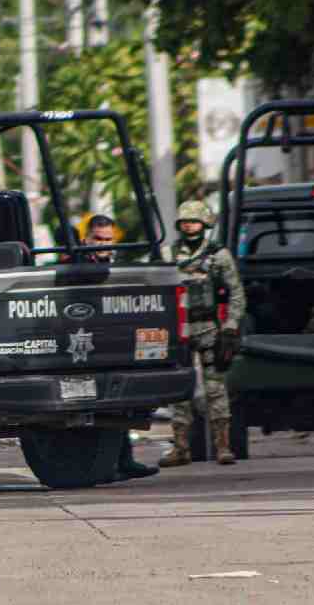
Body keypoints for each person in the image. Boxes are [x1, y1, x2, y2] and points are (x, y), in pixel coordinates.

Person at [159, 200, 246, 467]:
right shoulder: (168, 253)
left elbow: (236, 293)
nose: (189, 225)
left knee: (215, 388)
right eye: (185, 221)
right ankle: (181, 447)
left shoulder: (219, 255)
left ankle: (223, 446)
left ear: (204, 223)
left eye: (194, 221)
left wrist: (230, 326)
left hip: (209, 327)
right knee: (179, 389)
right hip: (179, 330)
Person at [82, 214, 159, 481]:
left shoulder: (119, 267)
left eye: (108, 240)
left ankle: (124, 461)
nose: (104, 245)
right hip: (87, 345)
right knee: (96, 409)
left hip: (115, 343)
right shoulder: (76, 266)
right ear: (86, 239)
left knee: (120, 404)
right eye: (98, 239)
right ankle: (105, 465)